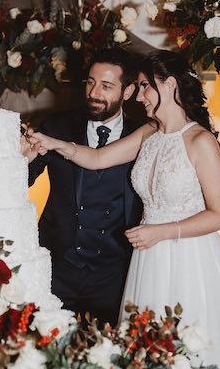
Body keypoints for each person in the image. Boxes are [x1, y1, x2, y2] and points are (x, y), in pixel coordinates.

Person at [28, 50, 220, 369]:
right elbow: (98, 159)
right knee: (145, 345)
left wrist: (161, 231)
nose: (139, 96)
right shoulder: (149, 133)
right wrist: (53, 143)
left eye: (145, 87)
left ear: (169, 85)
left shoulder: (200, 141)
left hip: (187, 256)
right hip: (148, 258)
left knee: (187, 344)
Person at [23, 48, 144, 327]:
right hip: (58, 265)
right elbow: (23, 181)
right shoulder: (57, 126)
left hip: (115, 271)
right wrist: (22, 159)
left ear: (128, 92)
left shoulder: (142, 135)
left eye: (106, 86)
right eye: (90, 82)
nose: (94, 93)